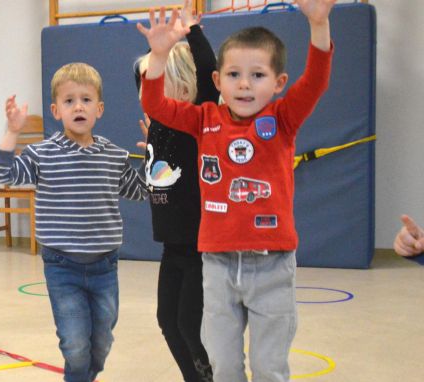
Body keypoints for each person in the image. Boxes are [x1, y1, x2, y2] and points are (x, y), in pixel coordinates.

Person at [137, 1, 335, 380]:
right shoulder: (204, 119)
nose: (244, 84)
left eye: (257, 74)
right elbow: (156, 104)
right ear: (217, 81)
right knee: (223, 365)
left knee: (267, 366)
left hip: (271, 264)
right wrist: (159, 57)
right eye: (234, 74)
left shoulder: (283, 119)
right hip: (218, 265)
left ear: (278, 83)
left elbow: (316, 81)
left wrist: (319, 25)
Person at [0, 63, 147, 382]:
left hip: (105, 265)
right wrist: (12, 132)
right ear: (56, 110)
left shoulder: (113, 155)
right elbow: (2, 175)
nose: (78, 106)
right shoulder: (42, 154)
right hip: (62, 265)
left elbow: (141, 191)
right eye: (69, 100)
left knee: (101, 342)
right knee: (75, 344)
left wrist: (157, 156)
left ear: (99, 109)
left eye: (87, 100)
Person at [132, 1, 216, 380]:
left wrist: (193, 32)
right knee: (167, 320)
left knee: (189, 325)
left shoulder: (196, 118)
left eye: (156, 76)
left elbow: (209, 73)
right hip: (172, 245)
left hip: (201, 246)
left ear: (183, 83)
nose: (146, 85)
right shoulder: (159, 124)